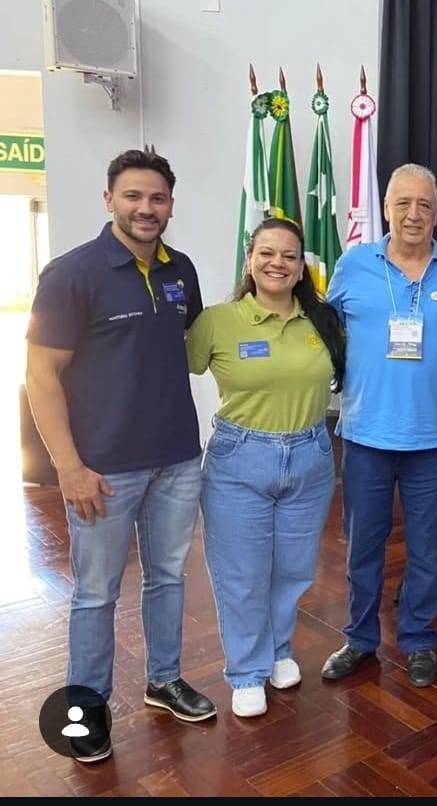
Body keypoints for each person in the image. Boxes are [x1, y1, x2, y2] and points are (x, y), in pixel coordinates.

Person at [25, 149, 216, 762]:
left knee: (167, 578)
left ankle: (163, 680)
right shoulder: (71, 274)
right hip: (103, 469)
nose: (146, 208)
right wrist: (69, 467)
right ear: (109, 200)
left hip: (177, 459)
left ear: (170, 206)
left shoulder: (179, 269)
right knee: (95, 592)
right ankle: (87, 707)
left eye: (157, 198)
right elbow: (42, 377)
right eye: (134, 196)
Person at [321, 164, 437, 688]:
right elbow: (319, 331)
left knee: (427, 550)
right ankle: (360, 639)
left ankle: (417, 639)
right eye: (403, 203)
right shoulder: (352, 266)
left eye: (425, 205)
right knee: (363, 546)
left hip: (433, 438)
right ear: (386, 207)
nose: (414, 215)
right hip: (365, 435)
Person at [187, 218, 345, 717]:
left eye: (290, 256)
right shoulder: (217, 321)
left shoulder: (322, 321)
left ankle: (279, 650)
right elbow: (163, 373)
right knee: (242, 573)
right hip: (240, 459)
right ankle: (247, 670)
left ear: (302, 267)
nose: (278, 263)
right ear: (249, 259)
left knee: (293, 570)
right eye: (267, 253)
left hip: (311, 456)